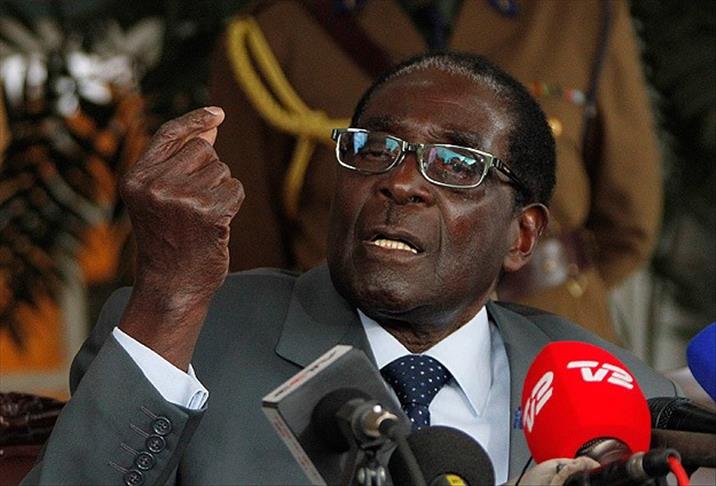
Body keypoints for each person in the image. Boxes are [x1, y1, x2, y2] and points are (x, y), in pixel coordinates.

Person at [23, 52, 676, 486]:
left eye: (455, 164)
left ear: (522, 235)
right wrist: (170, 299)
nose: (401, 183)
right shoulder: (192, 335)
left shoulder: (616, 396)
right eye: (374, 149)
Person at [212, 0, 663, 344]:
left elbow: (627, 218)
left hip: (550, 339)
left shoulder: (576, 13)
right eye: (375, 149)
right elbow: (248, 243)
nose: (405, 183)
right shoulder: (281, 29)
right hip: (339, 346)